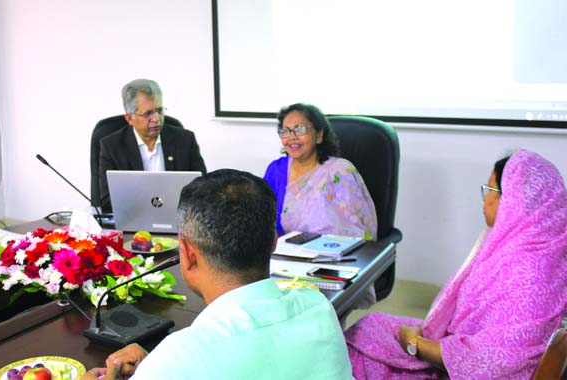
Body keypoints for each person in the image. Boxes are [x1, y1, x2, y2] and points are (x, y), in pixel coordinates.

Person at [81, 169, 353, 380]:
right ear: (273, 241)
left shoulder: (179, 358)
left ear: (187, 254)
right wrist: (155, 365)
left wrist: (159, 367)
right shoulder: (317, 307)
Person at [345, 149, 567, 379]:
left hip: (458, 369)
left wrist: (415, 343)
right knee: (371, 325)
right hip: (459, 348)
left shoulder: (528, 276)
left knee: (355, 349)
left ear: (514, 200)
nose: (485, 198)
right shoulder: (540, 252)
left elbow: (491, 363)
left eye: (490, 190)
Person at [263, 103, 377, 240]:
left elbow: (353, 230)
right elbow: (262, 218)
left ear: (319, 135)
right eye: (285, 131)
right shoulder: (276, 170)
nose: (292, 137)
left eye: (300, 129)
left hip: (330, 253)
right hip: (282, 253)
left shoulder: (339, 172)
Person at [98, 78, 206, 212]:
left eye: (160, 111)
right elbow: (106, 201)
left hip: (177, 220)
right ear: (129, 118)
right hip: (133, 221)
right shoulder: (112, 146)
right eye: (148, 113)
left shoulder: (185, 140)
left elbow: (203, 190)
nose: (156, 119)